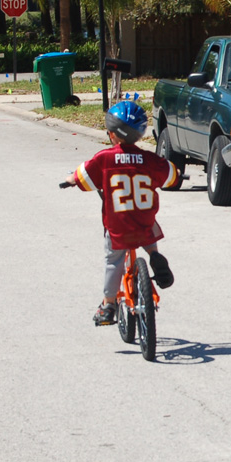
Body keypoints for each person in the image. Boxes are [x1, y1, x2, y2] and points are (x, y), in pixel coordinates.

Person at [61, 100, 177, 326]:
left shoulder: (104, 159)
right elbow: (171, 176)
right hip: (144, 223)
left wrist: (70, 179)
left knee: (113, 260)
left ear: (112, 135)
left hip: (118, 227)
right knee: (149, 226)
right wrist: (179, 174)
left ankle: (108, 305)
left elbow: (82, 178)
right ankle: (154, 256)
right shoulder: (150, 160)